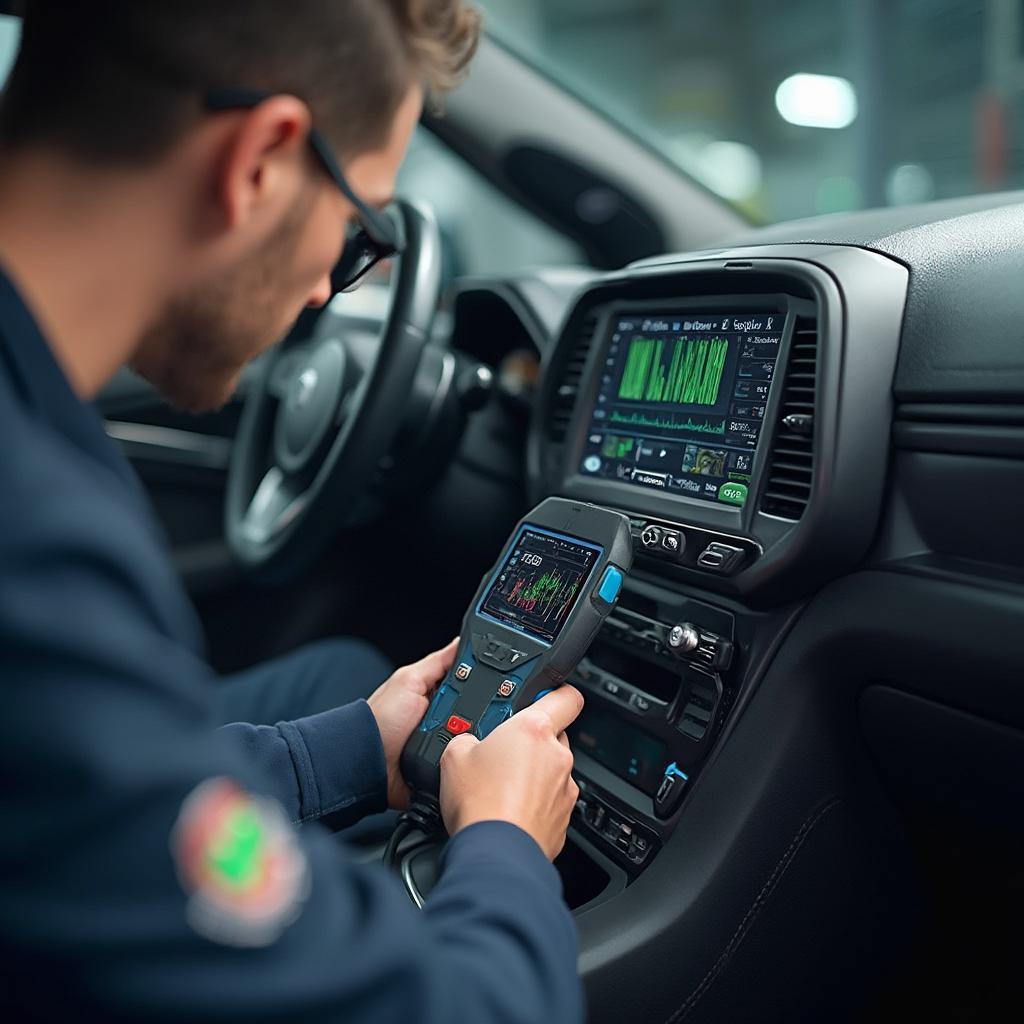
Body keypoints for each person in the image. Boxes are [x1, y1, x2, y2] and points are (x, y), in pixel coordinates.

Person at [0, 2, 586, 1021]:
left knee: (344, 683)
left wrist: (358, 746)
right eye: (362, 230)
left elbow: (89, 781)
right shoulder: (37, 548)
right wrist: (503, 842)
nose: (329, 285)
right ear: (261, 160)